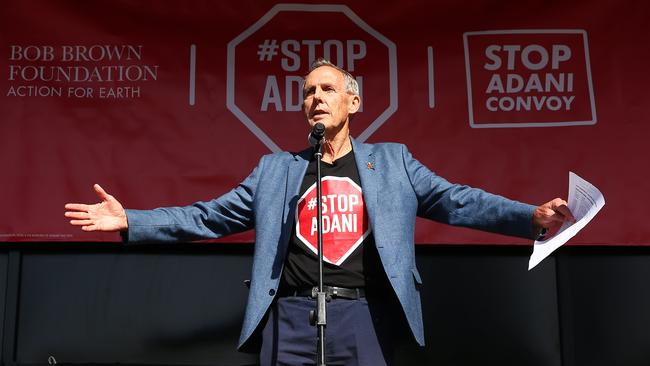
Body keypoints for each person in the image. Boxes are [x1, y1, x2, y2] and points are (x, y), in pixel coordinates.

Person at [65, 58, 574, 366]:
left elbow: (458, 199)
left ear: (353, 103)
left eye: (327, 89)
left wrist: (528, 217)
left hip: (365, 316)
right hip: (288, 315)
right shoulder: (276, 170)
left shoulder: (392, 161)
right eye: (308, 92)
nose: (315, 98)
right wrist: (132, 219)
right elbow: (207, 216)